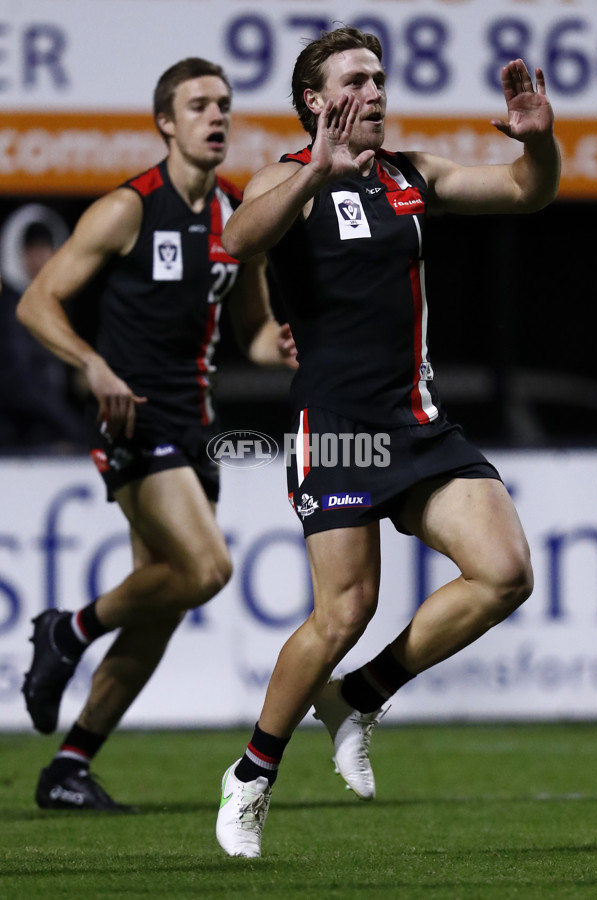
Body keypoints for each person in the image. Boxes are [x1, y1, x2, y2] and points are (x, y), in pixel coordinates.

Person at [215, 26, 560, 857]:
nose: (375, 92)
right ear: (315, 102)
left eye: (379, 78)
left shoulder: (410, 176)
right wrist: (313, 182)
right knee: (345, 608)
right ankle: (251, 777)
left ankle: (358, 695)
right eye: (356, 81)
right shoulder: (287, 179)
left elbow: (525, 192)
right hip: (338, 434)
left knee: (506, 571)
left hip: (416, 424)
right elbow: (238, 241)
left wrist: (542, 144)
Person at [18, 57, 296, 811]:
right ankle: (65, 630)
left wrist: (292, 345)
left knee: (161, 607)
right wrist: (93, 364)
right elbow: (37, 304)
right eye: (199, 104)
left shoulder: (240, 221)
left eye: (225, 105)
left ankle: (68, 769)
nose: (217, 116)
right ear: (166, 124)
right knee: (207, 569)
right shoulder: (127, 208)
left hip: (195, 427)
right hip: (132, 418)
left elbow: (256, 335)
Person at [0, 222, 85, 449]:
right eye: (33, 252)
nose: (39, 259)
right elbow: (19, 383)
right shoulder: (9, 307)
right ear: (21, 255)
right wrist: (72, 427)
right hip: (17, 434)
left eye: (45, 250)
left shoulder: (57, 304)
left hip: (50, 428)